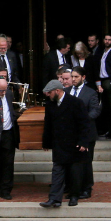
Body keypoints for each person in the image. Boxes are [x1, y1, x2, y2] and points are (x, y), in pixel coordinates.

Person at [39, 80, 91, 209]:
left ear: (57, 91)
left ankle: (74, 196)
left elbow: (84, 124)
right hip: (59, 144)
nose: (48, 95)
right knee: (57, 171)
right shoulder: (50, 105)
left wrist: (83, 142)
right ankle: (54, 198)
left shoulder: (75, 103)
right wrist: (46, 142)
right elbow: (48, 125)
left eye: (50, 92)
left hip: (75, 144)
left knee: (75, 173)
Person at [69, 67, 101, 198]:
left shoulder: (90, 93)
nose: (73, 79)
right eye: (72, 76)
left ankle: (87, 188)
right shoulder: (67, 92)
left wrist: (82, 119)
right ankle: (74, 188)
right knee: (72, 162)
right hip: (71, 133)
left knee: (86, 162)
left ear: (83, 77)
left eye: (76, 76)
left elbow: (95, 110)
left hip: (86, 133)